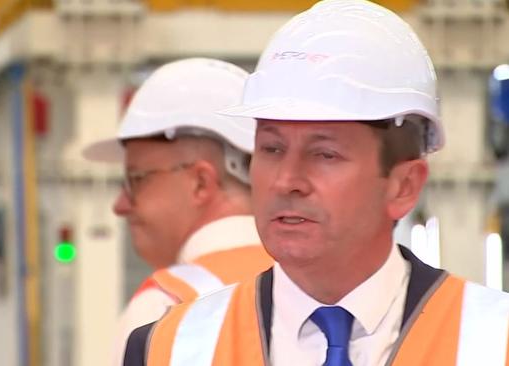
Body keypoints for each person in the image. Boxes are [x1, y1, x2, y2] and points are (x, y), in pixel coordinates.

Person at [123, 1, 509, 365]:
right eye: (272, 149)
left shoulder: (494, 341)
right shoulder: (171, 348)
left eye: (324, 154)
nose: (287, 181)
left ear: (404, 186)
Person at [82, 58, 273, 365]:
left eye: (136, 180)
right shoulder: (318, 292)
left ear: (201, 182)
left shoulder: (162, 309)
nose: (120, 205)